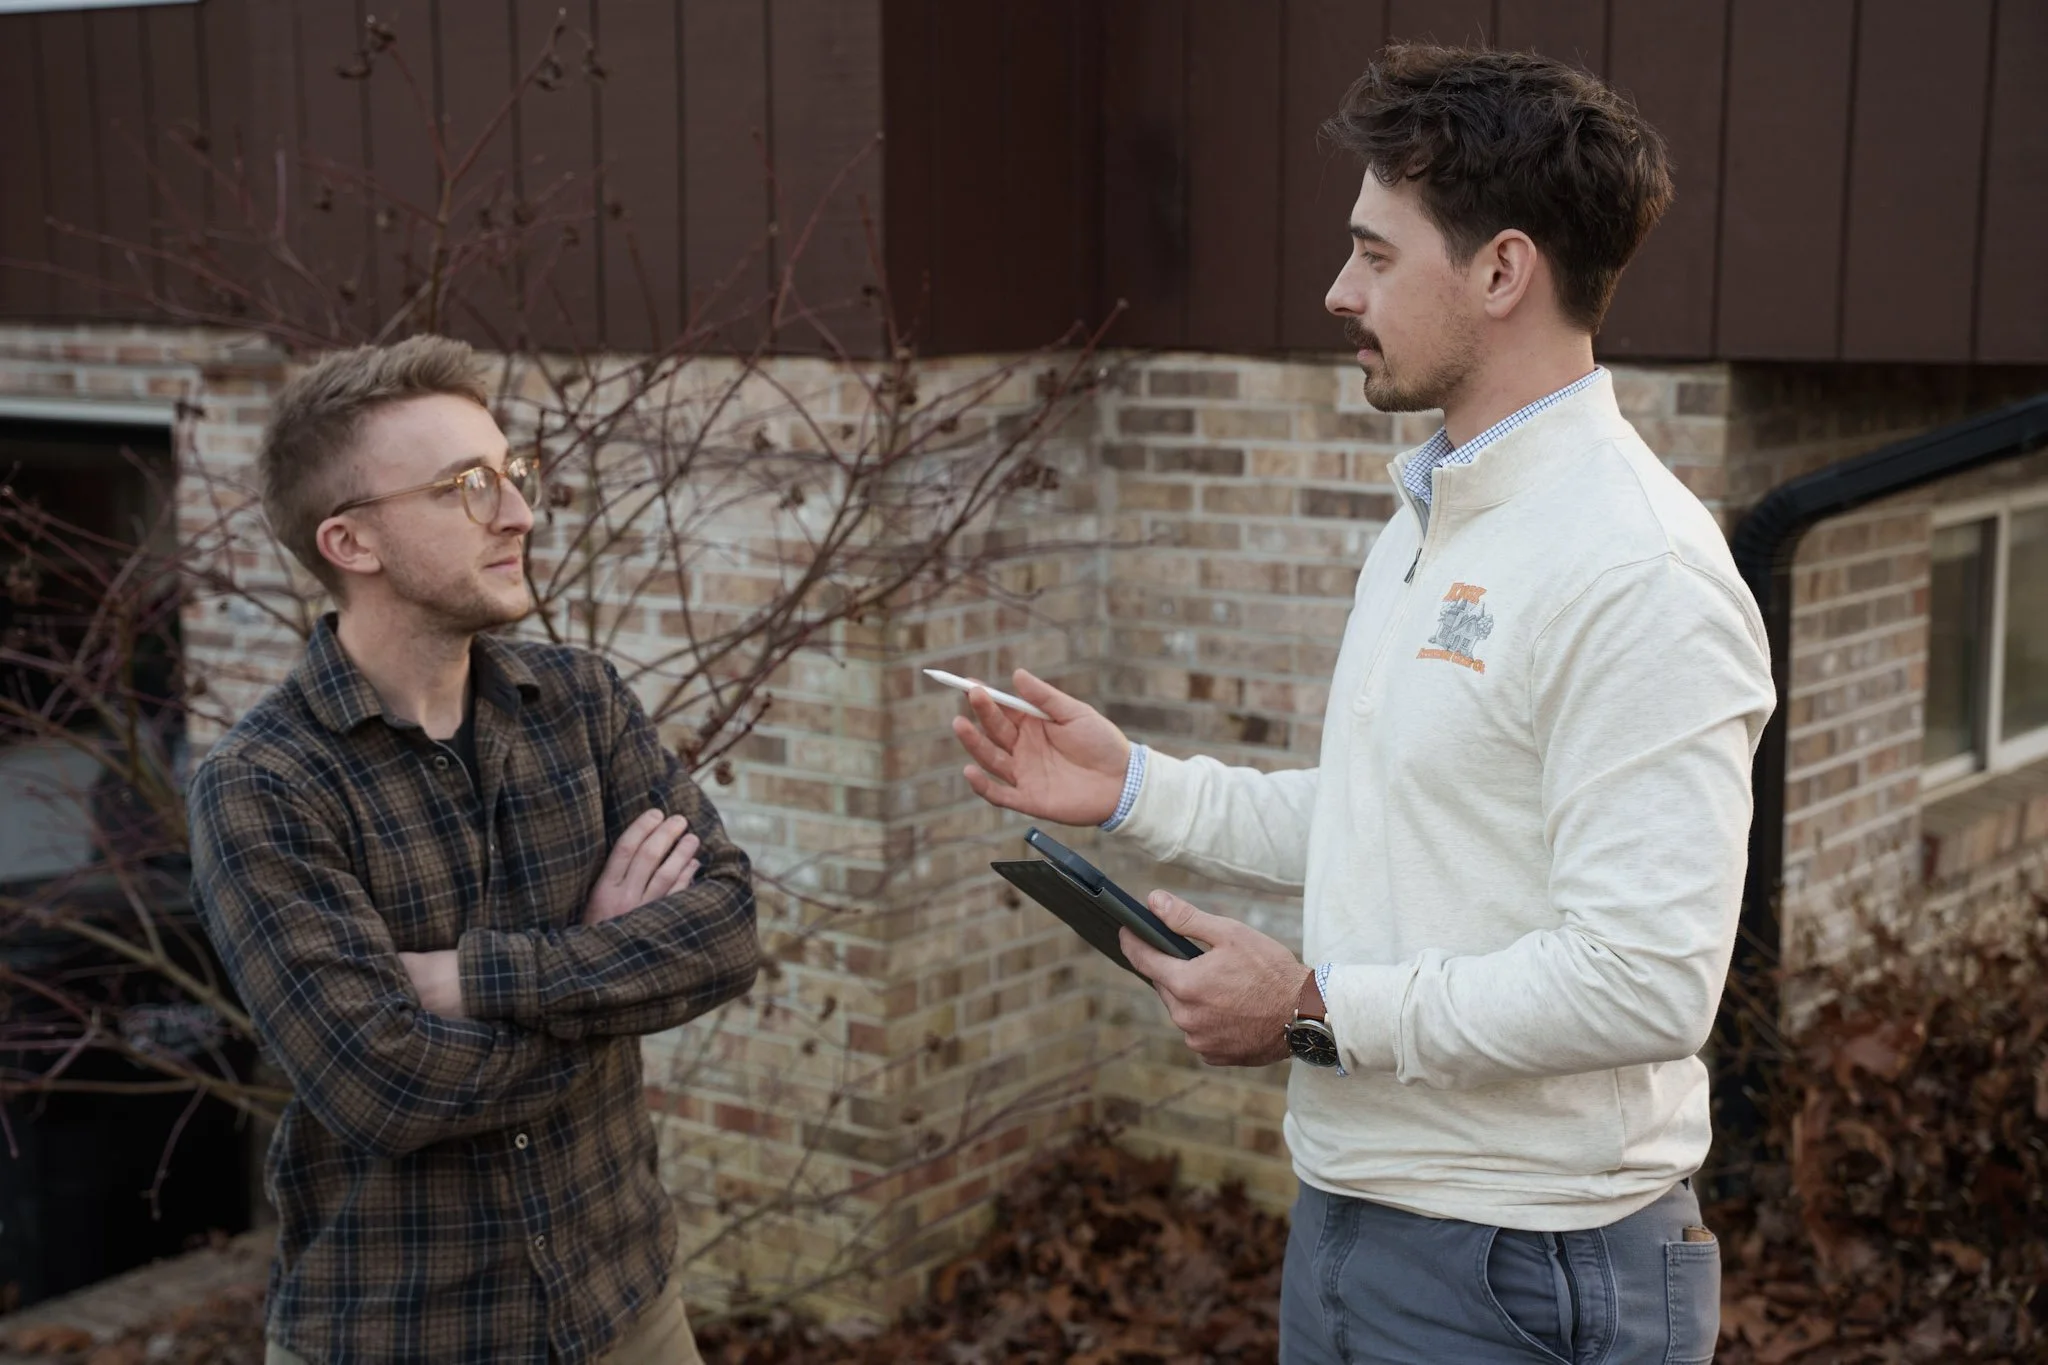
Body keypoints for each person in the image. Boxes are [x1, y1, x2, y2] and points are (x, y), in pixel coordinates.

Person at [949, 45, 1773, 1364]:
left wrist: (1317, 1008)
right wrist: (1136, 790)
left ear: (1503, 271)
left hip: (1524, 1263)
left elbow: (1646, 981)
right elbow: (1399, 815)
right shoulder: (1439, 515)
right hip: (1357, 1219)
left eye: (1376, 256)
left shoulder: (1642, 573)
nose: (1338, 290)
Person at [186, 336, 758, 1364]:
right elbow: (387, 1087)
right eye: (465, 486)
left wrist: (480, 978)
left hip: (630, 1309)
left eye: (512, 474)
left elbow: (722, 931)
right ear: (351, 543)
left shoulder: (580, 701)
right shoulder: (263, 786)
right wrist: (604, 962)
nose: (519, 513)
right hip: (406, 1334)